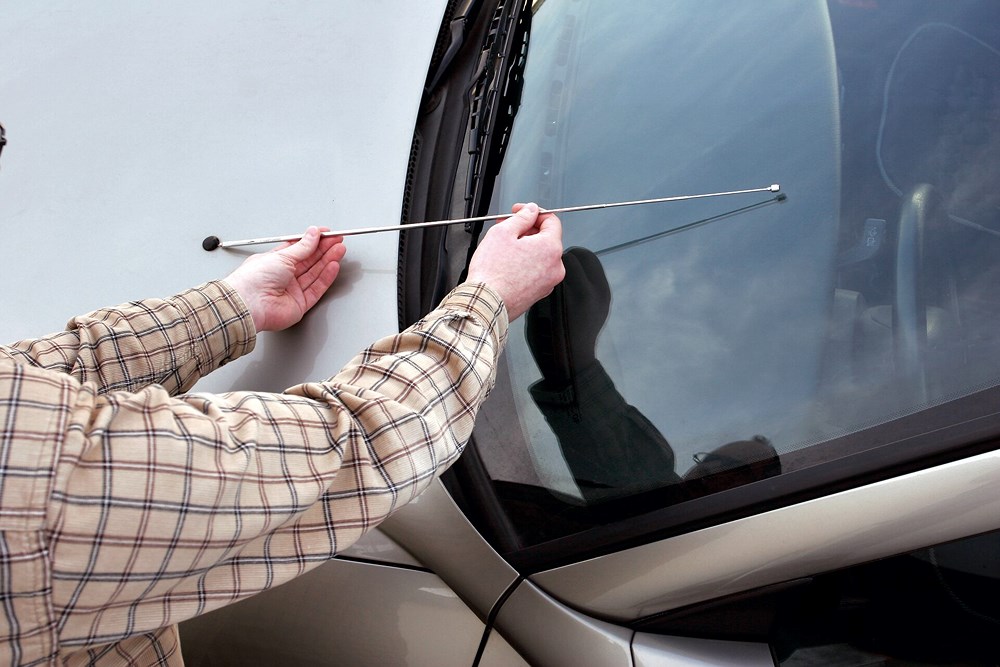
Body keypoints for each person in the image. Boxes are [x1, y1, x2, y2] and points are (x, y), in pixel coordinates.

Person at [0, 203, 564, 666]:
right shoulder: (26, 484)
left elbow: (48, 374)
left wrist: (229, 308)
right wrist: (488, 297)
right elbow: (351, 447)